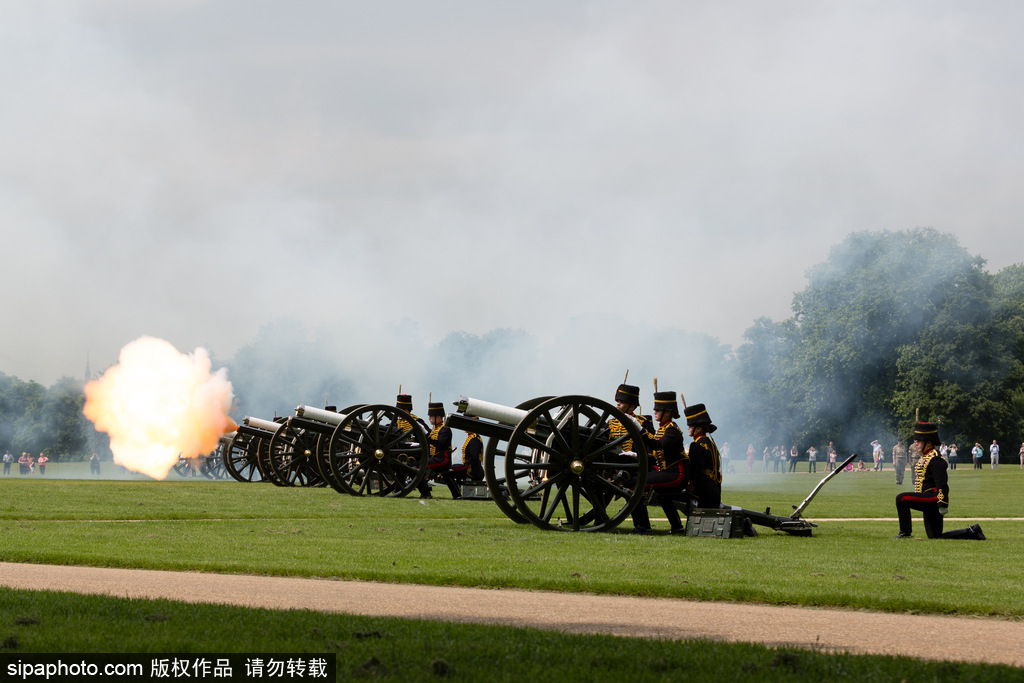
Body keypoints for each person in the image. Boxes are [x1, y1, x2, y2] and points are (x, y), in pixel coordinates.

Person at [895, 422, 985, 540]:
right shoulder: (925, 457)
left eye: (919, 441)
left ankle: (905, 533)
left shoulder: (936, 459)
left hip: (933, 497)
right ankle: (972, 532)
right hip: (927, 497)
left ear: (928, 442)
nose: (916, 443)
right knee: (935, 536)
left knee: (901, 498)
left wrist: (942, 503)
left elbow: (941, 484)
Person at [626, 391, 688, 535]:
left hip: (676, 474)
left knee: (634, 485)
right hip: (668, 473)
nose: (654, 412)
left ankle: (643, 527)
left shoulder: (672, 429)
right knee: (664, 497)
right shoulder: (662, 428)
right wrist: (635, 455)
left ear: (667, 412)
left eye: (658, 410)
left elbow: (658, 445)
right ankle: (677, 527)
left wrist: (639, 428)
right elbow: (656, 454)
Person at [417, 401, 460, 499]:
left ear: (439, 417)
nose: (429, 418)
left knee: (420, 466)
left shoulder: (445, 429)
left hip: (443, 460)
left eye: (431, 416)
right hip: (436, 458)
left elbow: (439, 443)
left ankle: (426, 493)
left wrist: (426, 434)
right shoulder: (435, 429)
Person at [683, 403, 722, 509]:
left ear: (699, 428)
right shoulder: (711, 444)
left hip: (703, 491)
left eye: (690, 426)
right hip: (715, 489)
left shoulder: (696, 445)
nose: (688, 428)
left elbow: (695, 471)